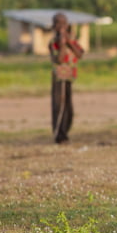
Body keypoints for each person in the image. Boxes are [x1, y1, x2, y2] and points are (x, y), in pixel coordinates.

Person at [48, 12, 84, 145]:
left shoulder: (72, 40)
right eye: (58, 23)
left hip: (70, 77)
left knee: (69, 107)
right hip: (60, 78)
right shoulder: (54, 42)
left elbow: (79, 54)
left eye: (64, 23)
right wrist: (62, 43)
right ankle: (60, 135)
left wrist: (68, 41)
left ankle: (66, 132)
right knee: (60, 106)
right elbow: (60, 58)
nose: (62, 26)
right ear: (54, 26)